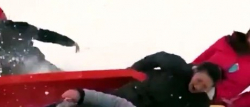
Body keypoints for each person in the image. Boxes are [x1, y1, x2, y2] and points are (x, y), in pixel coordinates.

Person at [50, 52, 224, 107]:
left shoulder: (199, 102)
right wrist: (135, 70)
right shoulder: (177, 67)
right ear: (196, 71)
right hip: (132, 93)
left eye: (204, 86)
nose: (198, 85)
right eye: (199, 79)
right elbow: (156, 57)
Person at [0, 5, 80, 79]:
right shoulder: (20, 28)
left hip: (13, 77)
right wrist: (67, 42)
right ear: (3, 16)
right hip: (36, 68)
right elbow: (44, 35)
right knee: (59, 78)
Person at [191, 23, 250, 107]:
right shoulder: (227, 41)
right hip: (193, 84)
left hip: (213, 101)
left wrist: (232, 104)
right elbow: (199, 61)